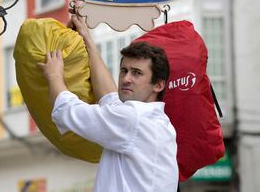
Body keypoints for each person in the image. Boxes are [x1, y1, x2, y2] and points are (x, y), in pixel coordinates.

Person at [38, 15, 178, 192]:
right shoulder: (156, 122)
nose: (126, 79)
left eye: (137, 73)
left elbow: (68, 110)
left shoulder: (134, 119)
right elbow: (109, 98)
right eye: (123, 71)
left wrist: (54, 76)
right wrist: (87, 40)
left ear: (158, 85)